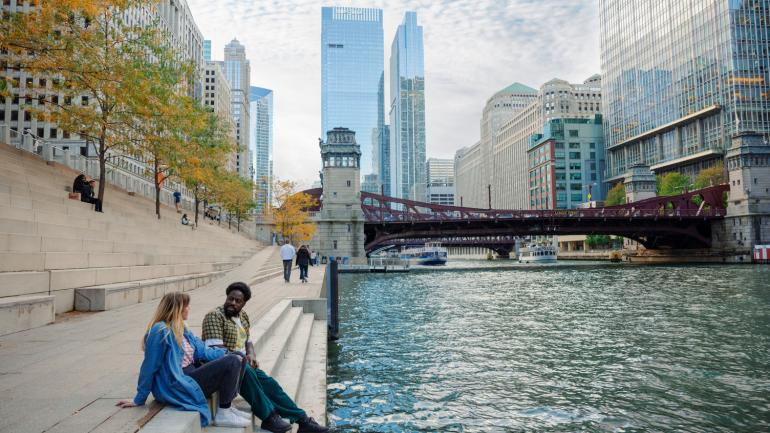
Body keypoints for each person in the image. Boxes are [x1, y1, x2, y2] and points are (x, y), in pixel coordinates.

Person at [201, 283, 329, 433]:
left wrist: (251, 354)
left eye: (238, 301)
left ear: (244, 303)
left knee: (271, 385)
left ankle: (303, 420)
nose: (233, 303)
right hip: (224, 368)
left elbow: (248, 341)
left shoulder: (243, 316)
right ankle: (269, 417)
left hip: (242, 364)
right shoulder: (214, 316)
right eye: (230, 299)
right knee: (247, 372)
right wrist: (242, 359)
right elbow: (216, 351)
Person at [116, 292, 250, 428]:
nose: (189, 309)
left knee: (239, 356)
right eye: (186, 306)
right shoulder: (160, 331)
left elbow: (203, 351)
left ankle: (228, 406)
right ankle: (224, 414)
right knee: (232, 361)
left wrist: (226, 353)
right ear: (178, 309)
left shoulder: (183, 329)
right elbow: (149, 366)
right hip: (178, 382)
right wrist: (140, 398)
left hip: (192, 375)